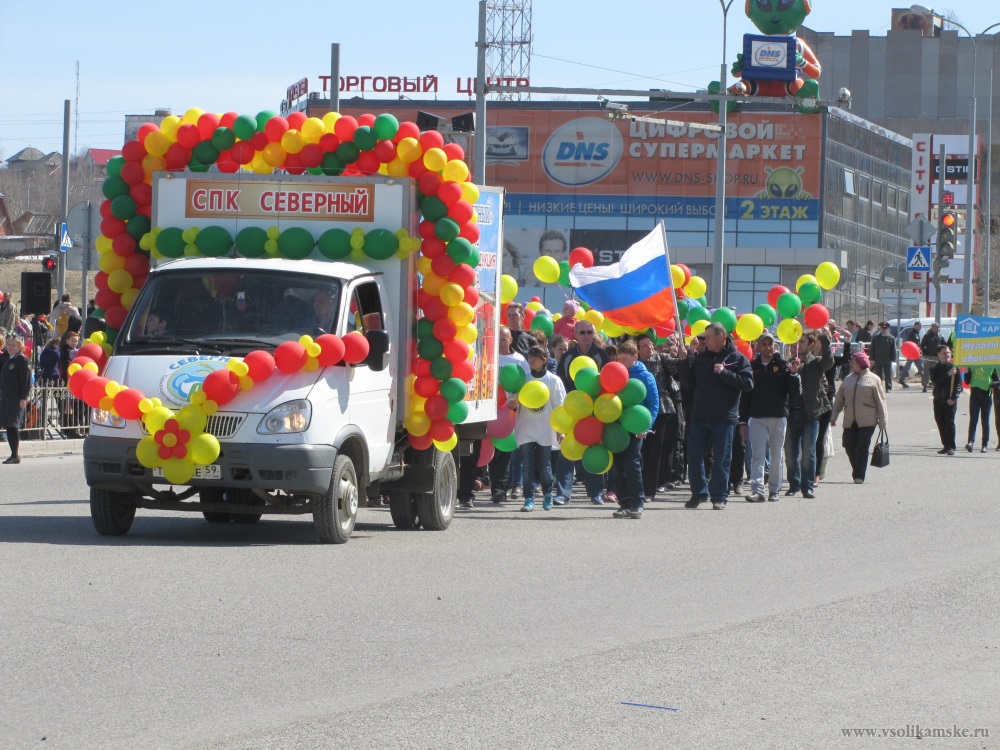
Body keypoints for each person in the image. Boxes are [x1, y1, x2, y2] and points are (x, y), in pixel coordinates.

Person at [677, 322, 754, 509]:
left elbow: (748, 384)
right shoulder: (701, 359)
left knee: (721, 459)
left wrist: (725, 373)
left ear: (721, 337)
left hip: (724, 418)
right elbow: (687, 383)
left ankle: (719, 496)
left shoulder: (737, 359)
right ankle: (699, 493)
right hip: (700, 417)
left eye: (709, 337)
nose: (705, 341)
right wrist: (684, 362)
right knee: (694, 455)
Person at [554, 319, 612, 505]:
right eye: (582, 332)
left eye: (590, 332)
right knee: (567, 450)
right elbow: (561, 383)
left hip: (594, 410)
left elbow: (607, 382)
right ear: (575, 335)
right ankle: (563, 493)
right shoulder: (568, 356)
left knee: (594, 449)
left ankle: (596, 493)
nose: (586, 336)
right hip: (572, 408)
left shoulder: (601, 355)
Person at [740, 331, 793, 503]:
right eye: (764, 344)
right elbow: (745, 395)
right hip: (756, 417)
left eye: (770, 344)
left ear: (774, 346)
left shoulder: (783, 366)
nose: (767, 347)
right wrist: (743, 421)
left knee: (776, 455)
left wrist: (794, 374)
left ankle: (774, 489)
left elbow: (792, 392)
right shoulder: (752, 366)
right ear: (757, 346)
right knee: (758, 456)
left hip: (778, 416)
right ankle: (757, 491)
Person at [609, 340, 658, 519]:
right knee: (618, 465)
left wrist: (646, 426)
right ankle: (624, 504)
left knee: (632, 463)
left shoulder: (645, 376)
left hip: (636, 427)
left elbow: (654, 404)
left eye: (625, 359)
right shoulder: (615, 374)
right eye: (619, 358)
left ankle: (637, 503)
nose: (621, 362)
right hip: (617, 426)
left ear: (635, 357)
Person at [513, 346, 566, 512]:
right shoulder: (524, 379)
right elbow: (514, 399)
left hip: (546, 428)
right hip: (526, 427)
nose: (532, 360)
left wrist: (560, 429)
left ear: (545, 360)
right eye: (530, 357)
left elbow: (560, 406)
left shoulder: (553, 380)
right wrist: (512, 402)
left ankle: (548, 493)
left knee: (545, 466)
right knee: (527, 466)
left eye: (536, 357)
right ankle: (528, 499)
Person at [486, 326, 529, 506]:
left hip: (511, 411)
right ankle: (496, 488)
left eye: (504, 339)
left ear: (511, 340)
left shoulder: (519, 360)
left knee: (507, 451)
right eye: (498, 339)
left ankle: (504, 488)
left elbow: (526, 384)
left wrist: (516, 400)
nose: (501, 342)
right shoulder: (489, 357)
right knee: (493, 451)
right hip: (491, 409)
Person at [831, 351, 888, 483]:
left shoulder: (874, 379)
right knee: (848, 445)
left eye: (854, 362)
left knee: (862, 447)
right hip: (850, 420)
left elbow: (881, 402)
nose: (851, 363)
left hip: (867, 421)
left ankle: (859, 475)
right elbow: (839, 400)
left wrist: (883, 422)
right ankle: (857, 469)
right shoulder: (848, 379)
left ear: (861, 364)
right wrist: (833, 417)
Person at [797, 332, 834, 497]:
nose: (798, 345)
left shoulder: (816, 363)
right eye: (796, 342)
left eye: (802, 342)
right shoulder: (788, 363)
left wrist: (825, 341)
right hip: (793, 413)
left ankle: (810, 481)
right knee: (792, 452)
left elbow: (829, 362)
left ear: (811, 345)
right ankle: (795, 481)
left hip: (814, 412)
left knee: (810, 449)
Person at [0, 336, 32, 464]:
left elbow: (26, 380)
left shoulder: (22, 360)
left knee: (13, 425)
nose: (10, 347)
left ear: (20, 347)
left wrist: (24, 397)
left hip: (17, 398)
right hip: (6, 397)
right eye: (9, 345)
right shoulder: (8, 360)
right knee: (8, 425)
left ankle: (15, 455)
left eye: (14, 345)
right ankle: (13, 454)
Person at [929, 345, 961, 455]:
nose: (946, 355)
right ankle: (946, 446)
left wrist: (953, 398)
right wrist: (948, 374)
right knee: (940, 423)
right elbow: (936, 382)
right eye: (944, 353)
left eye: (948, 353)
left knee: (949, 423)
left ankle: (951, 446)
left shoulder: (954, 368)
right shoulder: (934, 368)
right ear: (939, 355)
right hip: (938, 400)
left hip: (950, 400)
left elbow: (958, 386)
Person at [963, 364, 995, 453]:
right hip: (974, 396)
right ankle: (970, 442)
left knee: (985, 421)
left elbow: (997, 380)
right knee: (973, 419)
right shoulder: (972, 364)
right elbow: (967, 382)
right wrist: (966, 372)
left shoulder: (991, 365)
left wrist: (992, 384)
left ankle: (984, 445)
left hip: (986, 396)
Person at [869, 322, 896, 392]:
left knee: (888, 374)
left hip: (887, 359)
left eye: (885, 328)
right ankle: (879, 387)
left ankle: (888, 387)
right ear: (880, 329)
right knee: (878, 374)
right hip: (878, 358)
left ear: (888, 329)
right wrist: (871, 357)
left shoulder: (891, 338)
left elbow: (893, 349)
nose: (884, 330)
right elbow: (872, 348)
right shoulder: (875, 338)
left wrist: (893, 358)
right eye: (882, 328)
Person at [919, 322, 945, 393]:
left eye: (938, 327)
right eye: (935, 327)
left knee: (937, 371)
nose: (937, 329)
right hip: (929, 356)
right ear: (932, 328)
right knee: (926, 371)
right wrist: (924, 353)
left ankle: (936, 384)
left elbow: (944, 345)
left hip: (937, 357)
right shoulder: (927, 336)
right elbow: (922, 345)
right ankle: (924, 385)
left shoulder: (940, 336)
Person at [897, 321, 922, 388]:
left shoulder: (917, 334)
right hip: (912, 353)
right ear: (915, 326)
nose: (920, 327)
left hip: (916, 353)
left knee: (920, 367)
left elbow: (918, 344)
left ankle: (925, 381)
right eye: (919, 326)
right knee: (907, 367)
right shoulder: (912, 334)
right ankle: (901, 380)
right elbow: (910, 344)